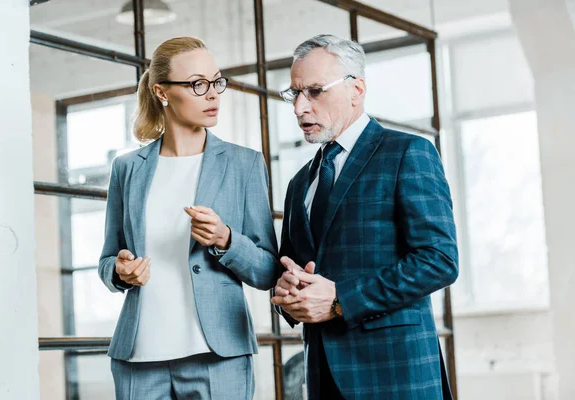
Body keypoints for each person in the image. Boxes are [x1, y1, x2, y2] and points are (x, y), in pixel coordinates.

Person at [271, 34, 459, 400]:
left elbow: (439, 261)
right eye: (294, 94)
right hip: (322, 374)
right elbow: (294, 269)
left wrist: (341, 299)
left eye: (313, 91)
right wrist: (286, 294)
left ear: (356, 89)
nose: (299, 108)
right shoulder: (298, 184)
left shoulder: (408, 153)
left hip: (396, 373)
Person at [98, 36, 278, 399]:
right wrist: (119, 271)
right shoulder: (127, 168)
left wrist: (226, 239)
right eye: (198, 84)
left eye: (216, 82)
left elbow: (268, 270)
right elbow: (107, 259)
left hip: (219, 354)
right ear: (162, 92)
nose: (212, 95)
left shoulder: (244, 164)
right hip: (139, 356)